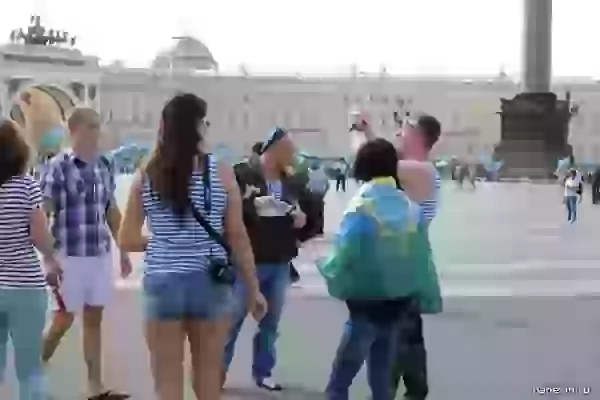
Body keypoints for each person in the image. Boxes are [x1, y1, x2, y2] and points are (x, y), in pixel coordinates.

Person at [117, 93, 266, 400]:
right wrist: (253, 289)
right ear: (197, 127)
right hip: (210, 282)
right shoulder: (221, 172)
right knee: (208, 382)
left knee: (168, 383)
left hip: (163, 282)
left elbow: (127, 238)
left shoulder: (147, 174)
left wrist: (164, 241)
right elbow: (237, 236)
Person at [318, 138, 441, 400]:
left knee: (346, 367)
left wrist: (330, 273)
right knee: (383, 366)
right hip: (398, 300)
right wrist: (428, 295)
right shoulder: (410, 208)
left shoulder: (361, 205)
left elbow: (345, 253)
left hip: (365, 300)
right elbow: (422, 258)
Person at [39, 107, 132, 400]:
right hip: (68, 255)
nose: (98, 131)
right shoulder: (59, 166)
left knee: (94, 319)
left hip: (99, 255)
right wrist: (49, 258)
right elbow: (44, 212)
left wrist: (124, 250)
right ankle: (30, 371)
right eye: (92, 126)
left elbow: (111, 211)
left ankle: (95, 387)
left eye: (99, 126)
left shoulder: (103, 165)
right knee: (62, 319)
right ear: (76, 129)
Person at [352, 111, 442, 400]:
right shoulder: (411, 169)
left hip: (401, 269)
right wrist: (367, 132)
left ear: (416, 135)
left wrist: (358, 131)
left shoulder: (422, 171)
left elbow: (368, 161)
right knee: (401, 341)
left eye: (402, 130)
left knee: (394, 343)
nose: (398, 134)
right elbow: (378, 157)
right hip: (397, 267)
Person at [223, 127, 317, 391]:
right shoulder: (242, 174)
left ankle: (263, 373)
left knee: (270, 324)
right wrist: (252, 209)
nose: (293, 155)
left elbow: (311, 218)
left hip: (279, 262)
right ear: (273, 149)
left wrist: (302, 222)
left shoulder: (293, 182)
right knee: (231, 321)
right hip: (246, 261)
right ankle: (215, 372)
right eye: (289, 149)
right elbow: (225, 213)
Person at [0, 120, 59, 400]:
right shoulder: (26, 186)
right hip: (25, 286)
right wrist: (51, 258)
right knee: (30, 369)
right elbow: (40, 235)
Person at [307, 161, 329, 235]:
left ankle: (315, 229)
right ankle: (320, 229)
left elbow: (308, 186)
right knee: (320, 212)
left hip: (313, 194)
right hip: (320, 194)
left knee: (314, 213)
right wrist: (324, 193)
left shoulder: (310, 174)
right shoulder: (323, 174)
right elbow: (328, 185)